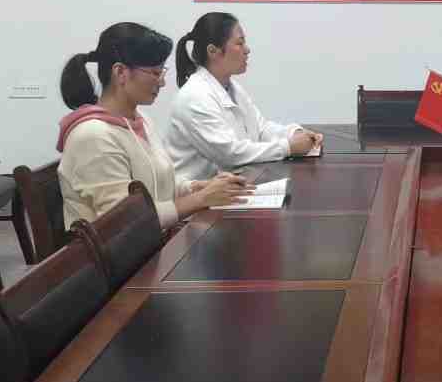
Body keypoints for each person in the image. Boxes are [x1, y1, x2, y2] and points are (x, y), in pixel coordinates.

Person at [57, 22, 249, 228]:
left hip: (155, 239)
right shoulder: (93, 136)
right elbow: (124, 223)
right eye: (155, 73)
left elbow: (159, 183)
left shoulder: (140, 119)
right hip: (127, 247)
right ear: (120, 72)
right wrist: (200, 199)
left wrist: (199, 187)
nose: (162, 82)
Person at [166, 13, 323, 181]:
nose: (247, 50)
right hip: (197, 192)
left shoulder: (231, 87)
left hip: (228, 184)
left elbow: (261, 130)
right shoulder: (194, 97)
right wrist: (288, 147)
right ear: (213, 51)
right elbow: (230, 154)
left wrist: (294, 133)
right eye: (240, 43)